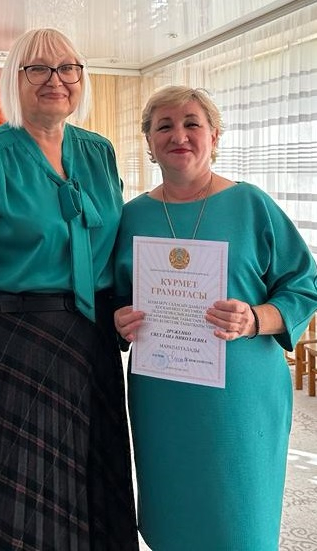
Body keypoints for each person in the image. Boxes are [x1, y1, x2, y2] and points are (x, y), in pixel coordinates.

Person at [0, 28, 139, 551]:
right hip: (13, 354)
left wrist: (125, 309)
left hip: (91, 354)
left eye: (68, 68)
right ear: (14, 79)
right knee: (16, 516)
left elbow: (115, 253)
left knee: (90, 500)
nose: (55, 80)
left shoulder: (100, 152)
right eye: (37, 68)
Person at [114, 85, 317, 551]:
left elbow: (305, 283)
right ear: (149, 142)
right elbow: (114, 295)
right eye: (164, 126)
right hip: (163, 396)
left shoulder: (251, 204)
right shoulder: (132, 216)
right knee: (173, 519)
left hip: (240, 396)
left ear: (215, 135)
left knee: (239, 523)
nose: (179, 135)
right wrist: (118, 320)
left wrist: (255, 318)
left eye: (192, 123)